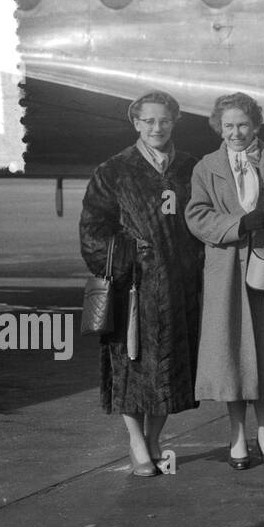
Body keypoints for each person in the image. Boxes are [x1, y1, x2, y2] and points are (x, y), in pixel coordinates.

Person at [79, 91, 203, 478]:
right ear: (135, 123)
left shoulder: (190, 168)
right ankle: (136, 441)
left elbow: (202, 220)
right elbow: (92, 231)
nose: (156, 128)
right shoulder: (114, 170)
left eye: (164, 120)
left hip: (180, 285)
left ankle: (154, 439)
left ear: (175, 121)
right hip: (133, 288)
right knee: (132, 366)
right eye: (148, 121)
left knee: (173, 368)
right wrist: (131, 254)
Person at [187, 92, 264, 469]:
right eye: (228, 126)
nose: (236, 133)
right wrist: (236, 224)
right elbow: (195, 215)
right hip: (227, 270)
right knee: (233, 354)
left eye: (243, 125)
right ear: (218, 128)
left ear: (256, 125)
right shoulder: (206, 167)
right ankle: (237, 435)